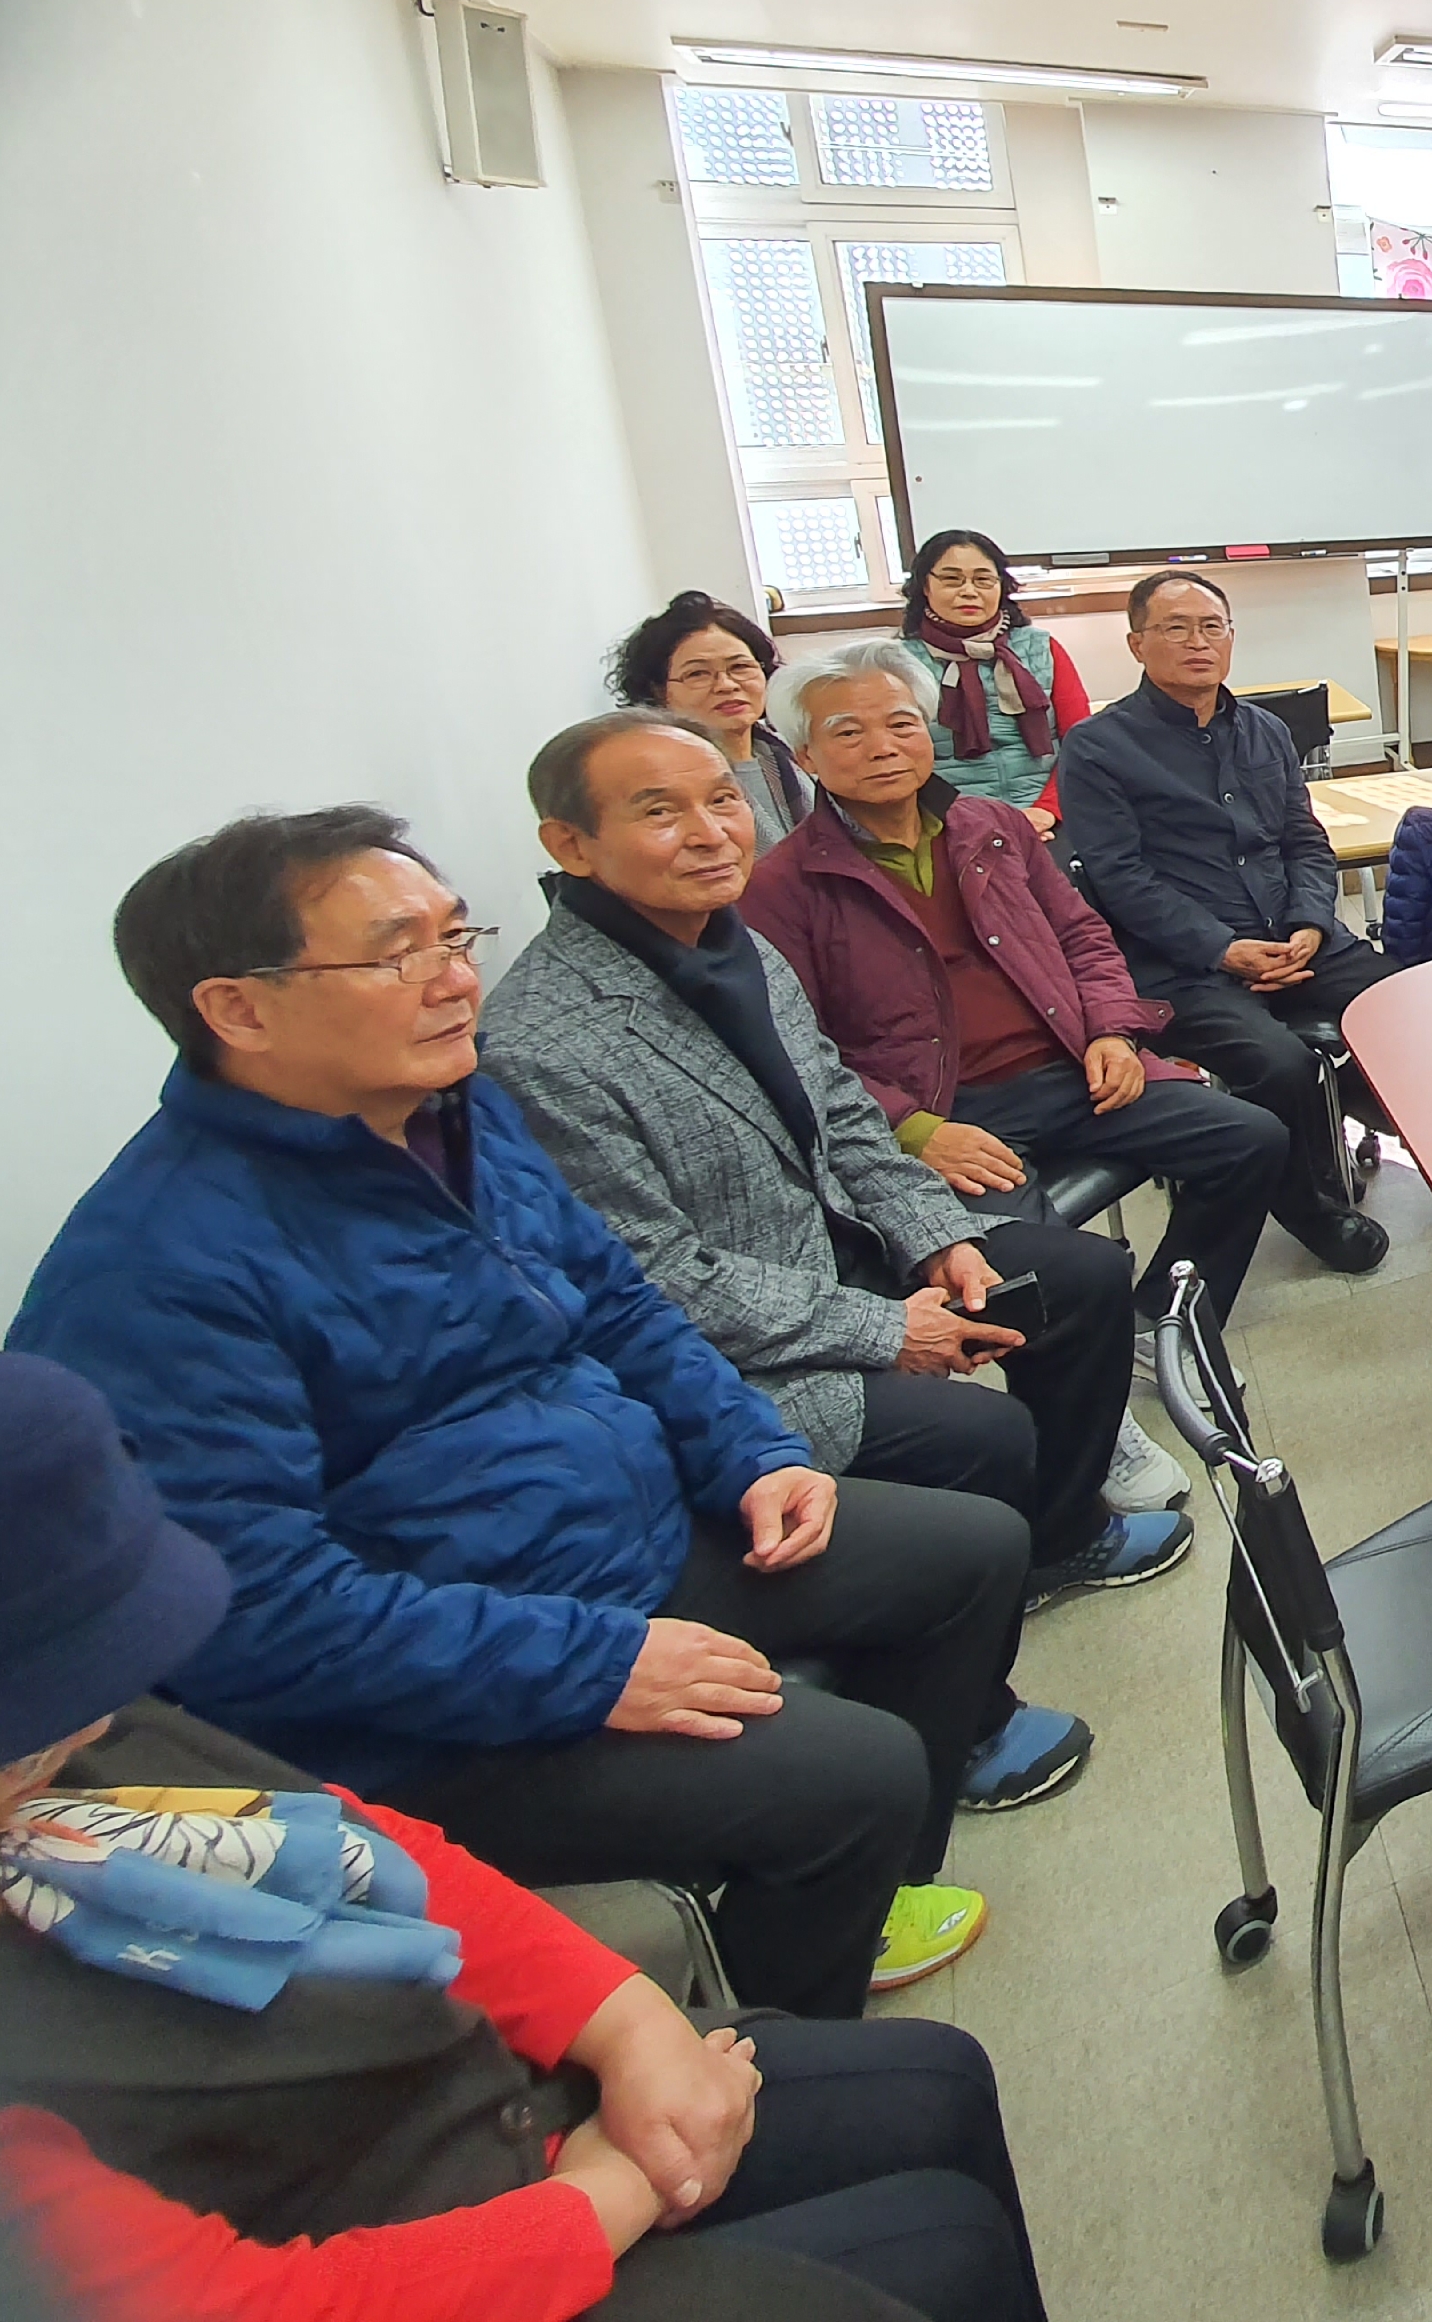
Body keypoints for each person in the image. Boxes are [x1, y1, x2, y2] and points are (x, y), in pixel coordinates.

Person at [10, 807, 1032, 2015]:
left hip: (606, 1540)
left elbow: (620, 1301)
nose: (455, 979)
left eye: (457, 936)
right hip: (430, 1689)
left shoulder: (456, 1112)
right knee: (856, 1772)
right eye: (398, 952)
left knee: (971, 1551)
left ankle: (842, 1899)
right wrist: (594, 1666)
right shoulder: (157, 1270)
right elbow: (255, 1616)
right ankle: (763, 2046)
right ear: (238, 1008)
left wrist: (752, 1451)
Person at [0, 1351, 1054, 2322]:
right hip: (427, 2243)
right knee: (940, 2249)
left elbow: (367, 1845)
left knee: (940, 2082)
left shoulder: (61, 1753)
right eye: (30, 1734)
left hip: (461, 2097)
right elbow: (258, 2304)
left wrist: (627, 2024)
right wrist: (613, 2191)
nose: (92, 1727)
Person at [479, 716, 1162, 1775]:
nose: (711, 830)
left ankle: (1060, 1539)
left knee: (1074, 1277)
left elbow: (842, 1113)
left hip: (840, 1240)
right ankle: (961, 1723)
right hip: (736, 1342)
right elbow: (658, 1281)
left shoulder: (728, 941)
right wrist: (885, 1329)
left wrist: (935, 1237)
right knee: (981, 1438)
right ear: (569, 844)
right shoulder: (543, 1043)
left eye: (721, 797)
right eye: (659, 811)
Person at [746, 643, 1293, 1356]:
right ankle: (1084, 1371)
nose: (883, 747)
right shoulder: (778, 887)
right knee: (1038, 1264)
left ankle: (1159, 1322)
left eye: (901, 724)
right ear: (805, 756)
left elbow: (1085, 937)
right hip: (944, 1106)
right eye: (849, 732)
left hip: (1070, 1067)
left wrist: (1112, 1033)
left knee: (1252, 1139)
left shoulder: (993, 828)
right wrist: (912, 1130)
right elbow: (795, 1050)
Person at [1053, 570, 1398, 1276]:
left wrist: (1309, 922)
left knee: (1408, 1005)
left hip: (1296, 937)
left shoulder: (1266, 730)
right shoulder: (1097, 747)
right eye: (1175, 628)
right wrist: (1223, 948)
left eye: (1212, 626)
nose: (1198, 642)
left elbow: (1305, 842)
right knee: (1281, 1064)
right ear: (1137, 644)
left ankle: (1406, 1129)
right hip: (1184, 963)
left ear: (1231, 638)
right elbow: (1120, 879)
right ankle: (1313, 1207)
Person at [895, 529, 1090, 833]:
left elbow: (1082, 744)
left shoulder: (1042, 648)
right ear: (924, 587)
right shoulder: (897, 665)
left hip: (1050, 815)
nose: (969, 591)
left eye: (983, 579)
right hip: (945, 824)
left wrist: (1047, 810)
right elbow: (898, 762)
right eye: (952, 579)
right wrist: (972, 823)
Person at [611, 591, 812, 845]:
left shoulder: (791, 752)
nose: (726, 685)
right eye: (697, 674)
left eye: (739, 667)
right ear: (659, 691)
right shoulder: (656, 780)